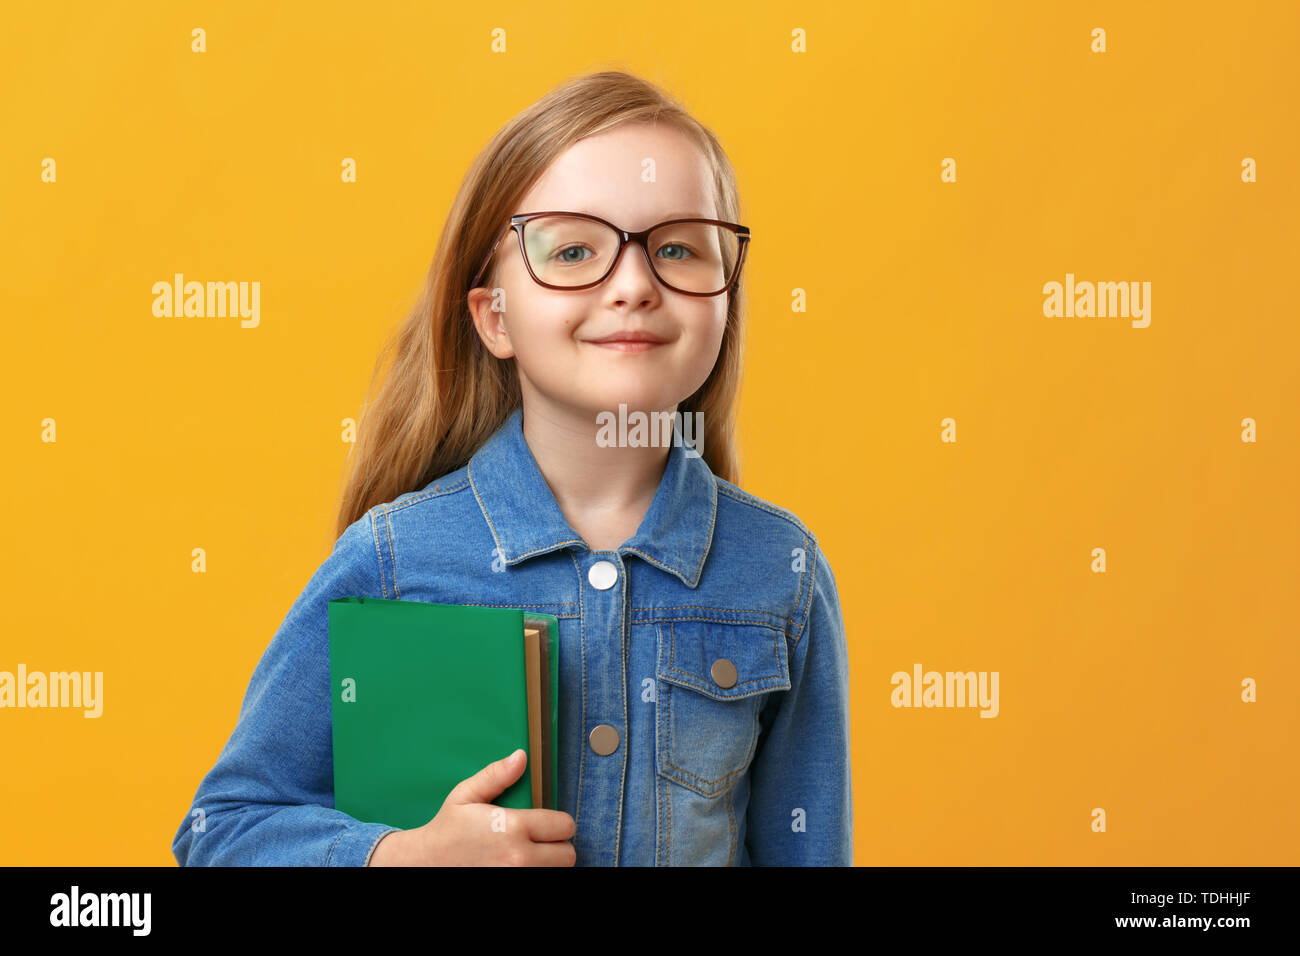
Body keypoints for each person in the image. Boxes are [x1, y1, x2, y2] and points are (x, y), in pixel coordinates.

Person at [171, 69, 851, 867]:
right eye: (572, 249)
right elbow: (221, 831)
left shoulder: (782, 573)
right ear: (496, 317)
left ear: (724, 298)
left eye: (675, 247)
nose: (633, 285)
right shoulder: (394, 561)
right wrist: (400, 857)